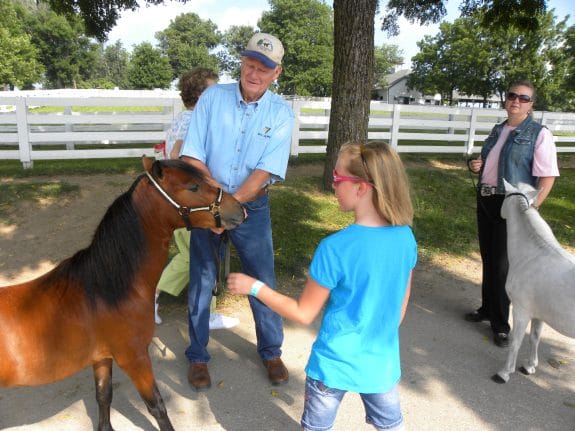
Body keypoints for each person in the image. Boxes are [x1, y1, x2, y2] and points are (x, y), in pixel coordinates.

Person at [228, 141, 416, 431]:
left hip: (333, 363)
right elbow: (399, 310)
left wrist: (254, 286)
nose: (333, 185)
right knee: (392, 426)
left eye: (338, 179)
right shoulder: (406, 238)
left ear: (361, 188)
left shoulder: (335, 248)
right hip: (381, 362)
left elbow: (303, 313)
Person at [179, 32, 294, 391]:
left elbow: (265, 172)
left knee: (261, 278)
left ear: (277, 73)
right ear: (241, 62)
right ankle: (198, 356)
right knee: (200, 279)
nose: (254, 73)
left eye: (264, 68)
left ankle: (271, 350)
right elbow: (191, 154)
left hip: (252, 207)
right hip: (207, 204)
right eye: (249, 64)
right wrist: (215, 207)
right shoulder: (212, 98)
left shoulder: (281, 113)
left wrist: (228, 207)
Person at [465, 79, 559, 348]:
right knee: (488, 257)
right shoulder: (498, 129)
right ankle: (486, 308)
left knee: (502, 265)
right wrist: (478, 166)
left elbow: (548, 177)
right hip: (487, 200)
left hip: (513, 207)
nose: (516, 100)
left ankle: (500, 324)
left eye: (524, 98)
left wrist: (530, 208)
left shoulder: (539, 134)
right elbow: (493, 163)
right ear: (506, 99)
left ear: (531, 105)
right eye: (512, 95)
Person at [154, 67, 239, 331]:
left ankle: (154, 297)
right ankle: (204, 313)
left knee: (190, 254)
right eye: (213, 90)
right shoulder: (195, 121)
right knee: (202, 256)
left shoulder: (181, 118)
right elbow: (180, 155)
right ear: (202, 95)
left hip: (175, 200)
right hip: (190, 203)